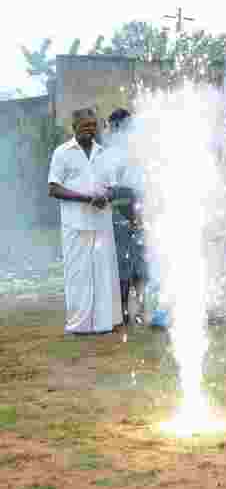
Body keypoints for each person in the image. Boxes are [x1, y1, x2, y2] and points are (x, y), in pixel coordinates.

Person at [47, 108, 123, 335]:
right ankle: (79, 325)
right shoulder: (62, 153)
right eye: (85, 126)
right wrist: (86, 198)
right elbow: (53, 188)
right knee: (78, 274)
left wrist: (105, 197)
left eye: (93, 125)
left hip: (101, 222)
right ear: (74, 128)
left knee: (103, 272)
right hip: (75, 224)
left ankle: (104, 324)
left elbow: (112, 187)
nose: (90, 130)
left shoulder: (103, 153)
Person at [105, 109, 148, 326]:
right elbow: (112, 189)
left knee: (140, 265)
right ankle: (123, 310)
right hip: (118, 213)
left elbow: (143, 185)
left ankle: (140, 309)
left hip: (138, 210)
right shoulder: (107, 154)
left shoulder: (138, 150)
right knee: (122, 264)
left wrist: (139, 215)